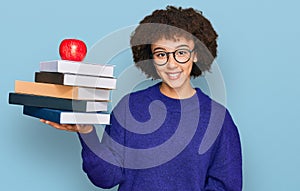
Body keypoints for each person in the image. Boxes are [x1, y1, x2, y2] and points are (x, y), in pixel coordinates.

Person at [41, 6, 242, 191]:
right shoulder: (130, 106)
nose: (171, 64)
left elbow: (226, 187)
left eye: (181, 52)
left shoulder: (218, 119)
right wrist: (87, 131)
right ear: (151, 57)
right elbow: (107, 178)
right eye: (161, 54)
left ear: (196, 54)